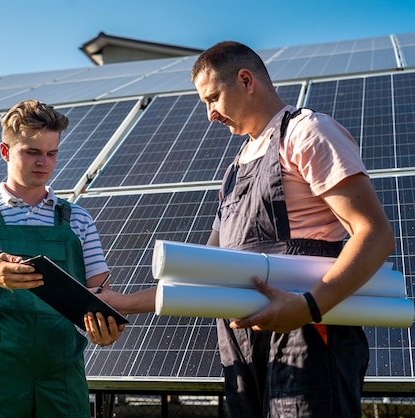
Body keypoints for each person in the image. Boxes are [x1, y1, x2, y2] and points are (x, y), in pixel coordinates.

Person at [99, 41, 395, 417]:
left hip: (308, 337)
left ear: (245, 80)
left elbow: (375, 234)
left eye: (213, 98)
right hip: (241, 345)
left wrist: (309, 306)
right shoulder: (234, 170)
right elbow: (206, 273)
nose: (209, 115)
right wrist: (123, 303)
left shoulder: (307, 133)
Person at [0, 99, 124, 418]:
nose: (44, 163)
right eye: (32, 152)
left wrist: (105, 329)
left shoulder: (78, 219)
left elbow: (102, 299)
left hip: (61, 374)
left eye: (52, 153)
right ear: (5, 151)